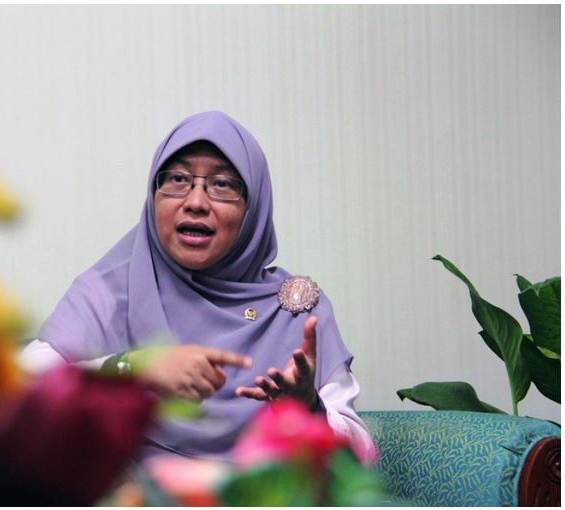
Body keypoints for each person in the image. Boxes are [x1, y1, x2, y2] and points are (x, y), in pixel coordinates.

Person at [22, 111, 376, 462]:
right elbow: (15, 394)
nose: (195, 202)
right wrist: (131, 367)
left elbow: (363, 457)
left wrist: (308, 410)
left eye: (222, 184)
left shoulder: (294, 311)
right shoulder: (110, 292)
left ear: (253, 207)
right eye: (177, 179)